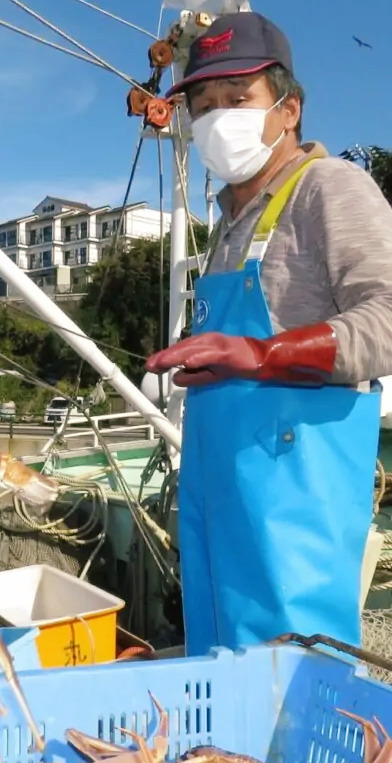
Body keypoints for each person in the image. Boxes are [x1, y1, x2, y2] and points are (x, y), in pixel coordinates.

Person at [146, 12, 392, 657]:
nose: (217, 117)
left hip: (294, 497)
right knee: (220, 656)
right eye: (203, 105)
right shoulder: (229, 221)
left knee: (294, 670)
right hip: (219, 487)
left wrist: (262, 353)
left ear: (290, 110)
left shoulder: (331, 187)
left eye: (238, 99)